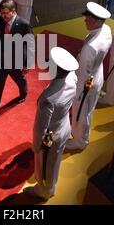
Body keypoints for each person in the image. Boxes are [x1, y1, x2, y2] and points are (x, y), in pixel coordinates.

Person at [23, 47, 78, 200]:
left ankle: (44, 191)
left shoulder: (48, 98)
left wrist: (36, 146)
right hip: (64, 126)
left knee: (45, 165)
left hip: (51, 136)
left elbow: (41, 127)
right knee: (55, 161)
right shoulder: (72, 78)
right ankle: (50, 186)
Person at [0, 0, 34, 126]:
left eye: (5, 13)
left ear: (13, 11)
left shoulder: (24, 24)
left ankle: (23, 92)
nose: (3, 16)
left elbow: (29, 45)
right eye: (1, 13)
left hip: (16, 60)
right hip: (1, 61)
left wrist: (27, 63)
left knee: (19, 79)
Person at [65, 2, 112, 151]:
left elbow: (83, 72)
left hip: (86, 82)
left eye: (88, 19)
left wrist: (77, 93)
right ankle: (79, 134)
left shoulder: (90, 48)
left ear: (98, 21)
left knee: (82, 111)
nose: (85, 21)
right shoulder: (106, 29)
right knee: (87, 110)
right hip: (97, 75)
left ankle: (80, 141)